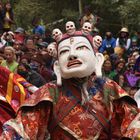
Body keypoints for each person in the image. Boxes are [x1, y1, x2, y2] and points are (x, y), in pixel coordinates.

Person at [0, 30, 140, 139]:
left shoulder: (110, 88)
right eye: (65, 51)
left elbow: (133, 123)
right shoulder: (49, 92)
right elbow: (22, 128)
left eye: (80, 48)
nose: (72, 55)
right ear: (57, 66)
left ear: (98, 59)